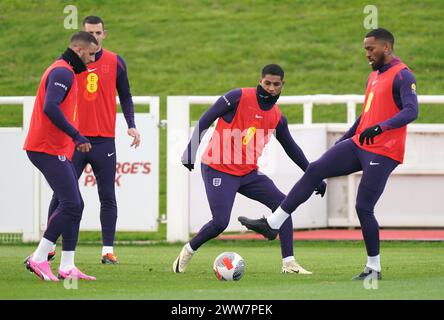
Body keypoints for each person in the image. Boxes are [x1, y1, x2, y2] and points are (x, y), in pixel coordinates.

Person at [239, 28, 418, 281]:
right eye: (365, 48)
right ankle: (273, 224)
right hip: (360, 144)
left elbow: (412, 111)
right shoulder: (374, 76)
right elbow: (366, 114)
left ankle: (373, 268)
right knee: (315, 169)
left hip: (384, 150)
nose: (366, 53)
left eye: (370, 48)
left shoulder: (403, 74)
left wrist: (381, 127)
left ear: (386, 48)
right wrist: (345, 139)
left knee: (363, 207)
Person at [173, 64, 327, 274]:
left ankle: (289, 264)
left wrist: (314, 176)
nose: (271, 88)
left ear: (283, 85)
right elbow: (205, 119)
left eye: (276, 84)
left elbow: (293, 150)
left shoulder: (277, 116)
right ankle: (188, 251)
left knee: (284, 207)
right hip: (218, 168)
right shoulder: (237, 97)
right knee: (220, 223)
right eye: (267, 83)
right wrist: (190, 151)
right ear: (260, 80)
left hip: (248, 173)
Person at [47, 16, 141, 265]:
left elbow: (126, 95)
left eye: (98, 33)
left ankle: (107, 250)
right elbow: (54, 100)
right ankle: (49, 247)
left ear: (104, 34)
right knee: (61, 196)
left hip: (104, 141)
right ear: (82, 37)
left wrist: (131, 125)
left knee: (107, 196)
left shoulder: (115, 61)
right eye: (90, 33)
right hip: (74, 141)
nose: (95, 38)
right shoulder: (67, 64)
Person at [23, 32, 99, 281]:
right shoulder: (63, 72)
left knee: (76, 205)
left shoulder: (65, 71)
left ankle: (67, 266)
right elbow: (50, 107)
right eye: (90, 54)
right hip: (46, 147)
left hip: (53, 148)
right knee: (72, 204)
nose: (92, 60)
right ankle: (38, 257)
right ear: (79, 51)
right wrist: (77, 135)